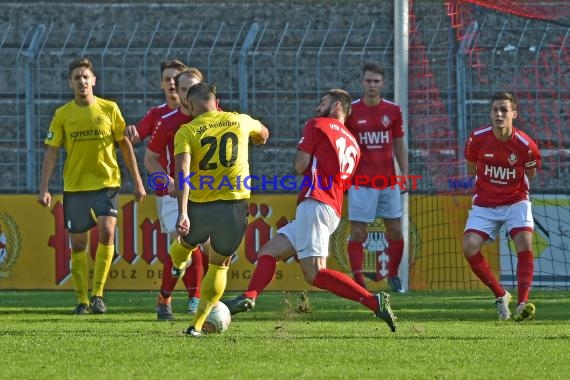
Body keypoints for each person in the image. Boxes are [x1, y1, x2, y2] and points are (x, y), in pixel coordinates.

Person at [224, 89, 397, 333]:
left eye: (323, 102)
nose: (318, 107)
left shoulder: (317, 124)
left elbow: (300, 165)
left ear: (338, 105)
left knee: (314, 273)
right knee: (269, 251)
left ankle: (372, 301)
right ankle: (249, 296)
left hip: (315, 202)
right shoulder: (354, 144)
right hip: (332, 207)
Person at [38, 57, 146, 314]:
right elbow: (51, 151)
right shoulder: (63, 114)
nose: (82, 81)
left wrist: (138, 181)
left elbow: (124, 145)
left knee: (107, 232)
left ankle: (98, 295)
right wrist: (44, 187)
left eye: (86, 77)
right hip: (75, 186)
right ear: (70, 83)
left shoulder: (109, 109)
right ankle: (82, 300)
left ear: (94, 81)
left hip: (107, 183)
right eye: (77, 78)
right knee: (78, 244)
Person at [171, 82, 269, 337]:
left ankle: (178, 264)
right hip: (233, 206)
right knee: (219, 264)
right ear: (217, 101)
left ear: (191, 105)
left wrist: (182, 211)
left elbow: (181, 172)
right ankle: (197, 325)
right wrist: (257, 138)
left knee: (183, 242)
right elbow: (264, 133)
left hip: (201, 206)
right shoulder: (239, 120)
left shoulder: (187, 130)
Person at [128, 59, 208, 316]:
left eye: (191, 89)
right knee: (185, 241)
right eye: (181, 89)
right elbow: (150, 159)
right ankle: (188, 298)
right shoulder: (167, 120)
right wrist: (170, 182)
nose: (186, 94)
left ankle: (171, 297)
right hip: (174, 195)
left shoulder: (216, 119)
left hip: (208, 193)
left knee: (207, 249)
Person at [462, 91, 541, 322]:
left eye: (504, 110)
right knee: (469, 246)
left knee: (524, 244)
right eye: (495, 109)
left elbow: (531, 174)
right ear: (490, 113)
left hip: (516, 200)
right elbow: (470, 169)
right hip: (485, 203)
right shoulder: (476, 138)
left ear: (513, 114)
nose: (499, 114)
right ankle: (500, 295)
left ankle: (522, 303)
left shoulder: (526, 145)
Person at [344, 62, 408, 293]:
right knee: (358, 232)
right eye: (368, 81)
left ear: (383, 83)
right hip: (361, 182)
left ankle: (393, 275)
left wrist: (404, 173)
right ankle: (359, 282)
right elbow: (344, 145)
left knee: (395, 231)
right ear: (362, 82)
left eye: (376, 81)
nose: (372, 85)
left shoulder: (393, 110)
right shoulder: (351, 111)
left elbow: (399, 143)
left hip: (388, 182)